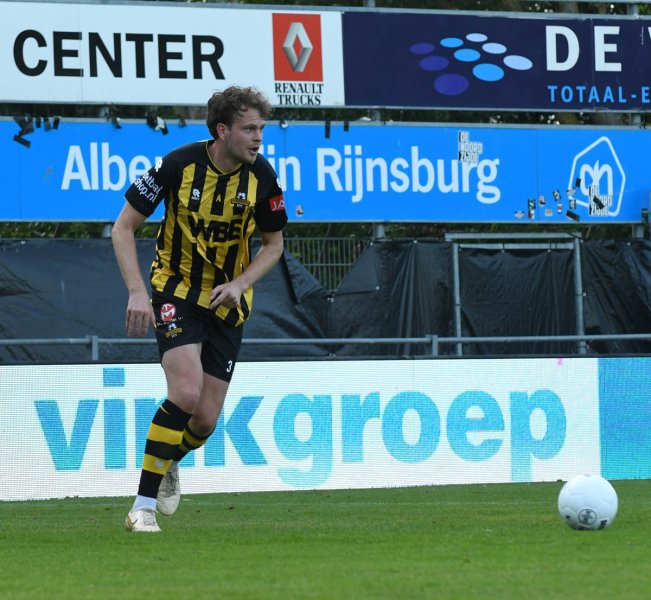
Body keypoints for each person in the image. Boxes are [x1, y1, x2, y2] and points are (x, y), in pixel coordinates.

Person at [112, 86, 287, 532]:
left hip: (228, 301)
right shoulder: (177, 165)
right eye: (249, 129)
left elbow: (274, 245)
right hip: (176, 290)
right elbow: (123, 228)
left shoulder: (263, 177)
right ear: (222, 130)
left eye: (261, 129)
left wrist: (241, 283)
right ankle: (142, 508)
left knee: (205, 420)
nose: (258, 137)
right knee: (186, 392)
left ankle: (168, 458)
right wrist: (136, 291)